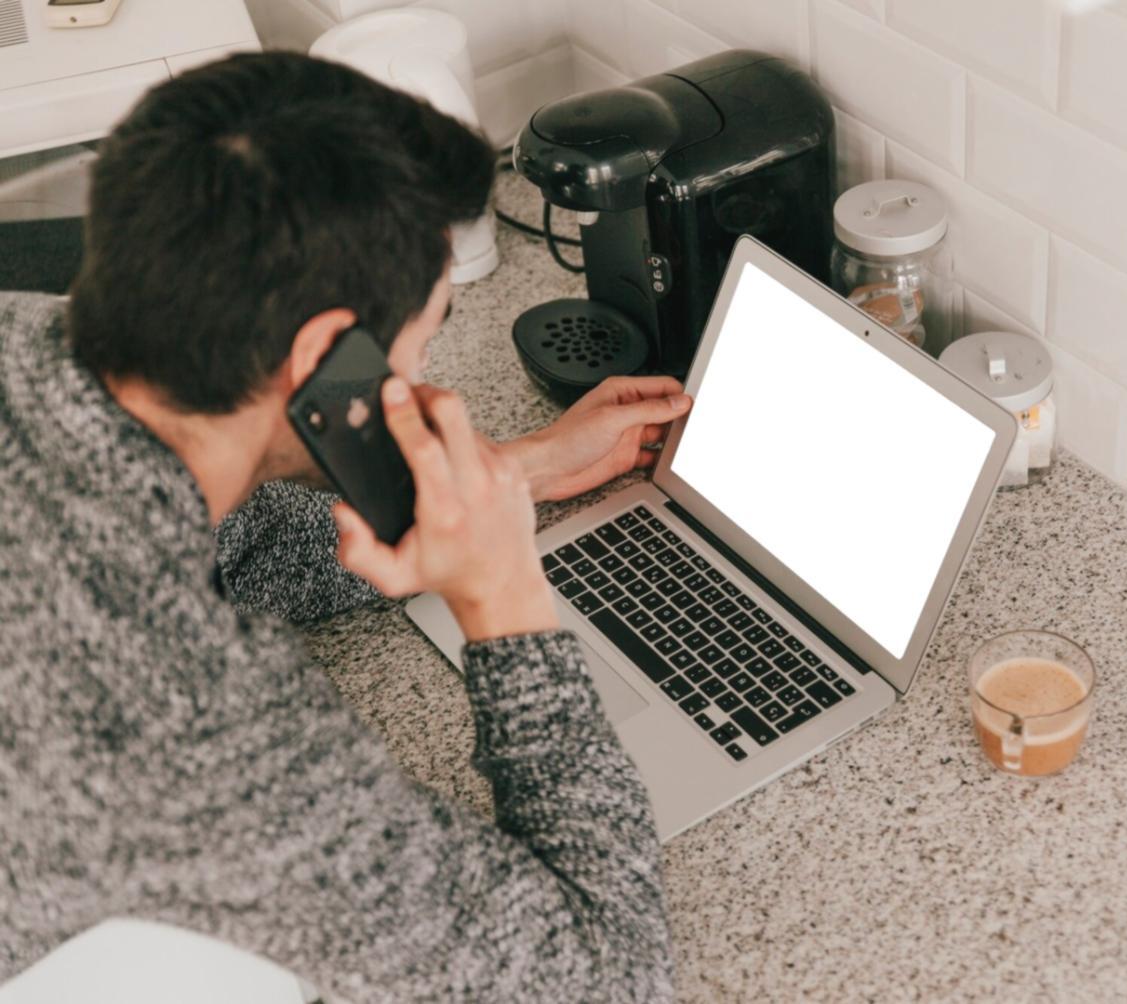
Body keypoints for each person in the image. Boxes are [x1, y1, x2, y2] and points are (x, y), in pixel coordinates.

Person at [0, 51, 689, 1002]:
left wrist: (509, 473)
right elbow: (605, 977)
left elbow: (208, 540)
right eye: (430, 326)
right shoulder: (182, 721)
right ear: (328, 357)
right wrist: (503, 595)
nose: (428, 360)